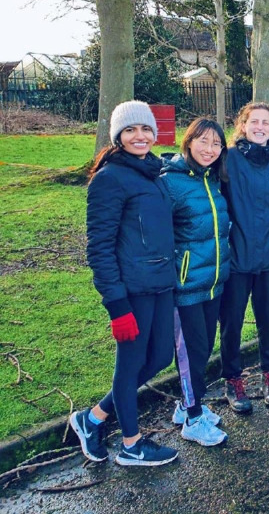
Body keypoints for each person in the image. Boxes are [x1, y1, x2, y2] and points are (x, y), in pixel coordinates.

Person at [70, 100, 179, 466]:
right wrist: (117, 306)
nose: (140, 136)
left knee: (161, 356)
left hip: (162, 284)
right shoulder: (110, 178)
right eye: (130, 130)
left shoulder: (153, 172)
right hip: (132, 290)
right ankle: (131, 445)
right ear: (118, 136)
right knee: (130, 365)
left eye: (146, 129)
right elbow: (99, 249)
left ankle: (94, 418)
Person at [160, 117, 230, 446]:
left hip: (213, 281)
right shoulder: (170, 183)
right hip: (186, 286)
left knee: (202, 350)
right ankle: (193, 417)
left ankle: (186, 404)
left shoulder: (213, 179)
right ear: (188, 142)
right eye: (203, 141)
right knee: (190, 351)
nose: (210, 149)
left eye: (216, 144)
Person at [219, 103, 269, 413]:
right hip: (237, 257)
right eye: (254, 121)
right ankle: (233, 380)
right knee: (232, 322)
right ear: (243, 125)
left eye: (266, 122)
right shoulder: (228, 159)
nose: (260, 127)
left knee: (267, 320)